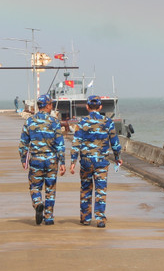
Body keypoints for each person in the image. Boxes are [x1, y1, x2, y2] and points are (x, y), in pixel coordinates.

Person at [69, 95, 122, 228]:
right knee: (101, 190)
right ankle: (100, 219)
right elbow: (114, 142)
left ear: (87, 107)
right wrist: (117, 156)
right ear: (100, 107)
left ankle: (85, 218)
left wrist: (73, 161)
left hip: (86, 161)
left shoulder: (81, 123)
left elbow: (76, 143)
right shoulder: (108, 122)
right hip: (102, 162)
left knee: (86, 189)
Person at [19, 94, 66, 225]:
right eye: (51, 104)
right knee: (50, 189)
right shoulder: (54, 122)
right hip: (51, 161)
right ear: (47, 106)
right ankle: (49, 217)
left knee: (35, 186)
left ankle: (38, 203)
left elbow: (23, 143)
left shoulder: (29, 121)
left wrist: (24, 159)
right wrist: (62, 162)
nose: (51, 106)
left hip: (36, 160)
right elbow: (60, 144)